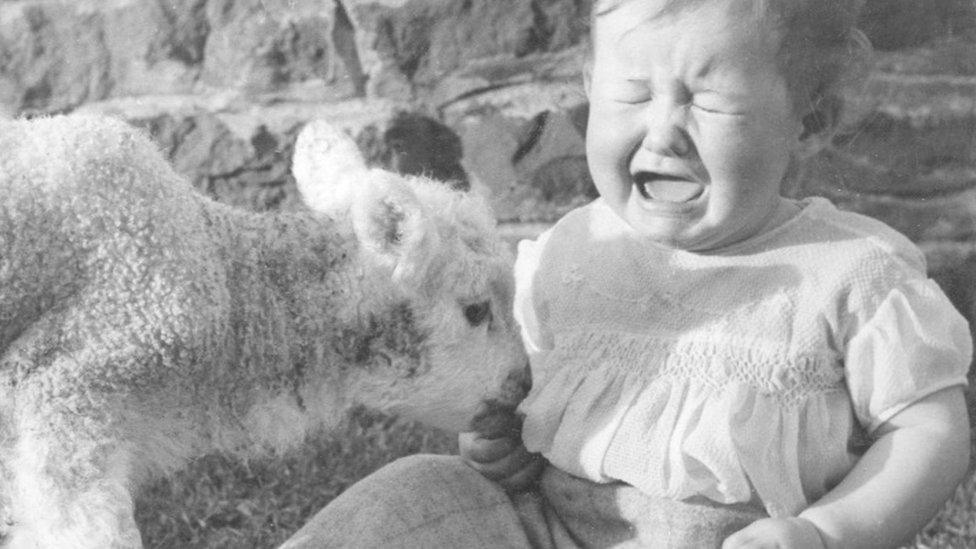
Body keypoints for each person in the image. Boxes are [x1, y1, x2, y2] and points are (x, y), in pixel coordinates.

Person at [280, 0, 972, 547]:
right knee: (417, 492)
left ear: (807, 120)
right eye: (632, 95)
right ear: (590, 88)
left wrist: (828, 531)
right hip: (548, 528)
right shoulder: (569, 252)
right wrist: (499, 445)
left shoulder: (852, 275)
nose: (662, 129)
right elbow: (527, 396)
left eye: (707, 101)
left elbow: (928, 433)